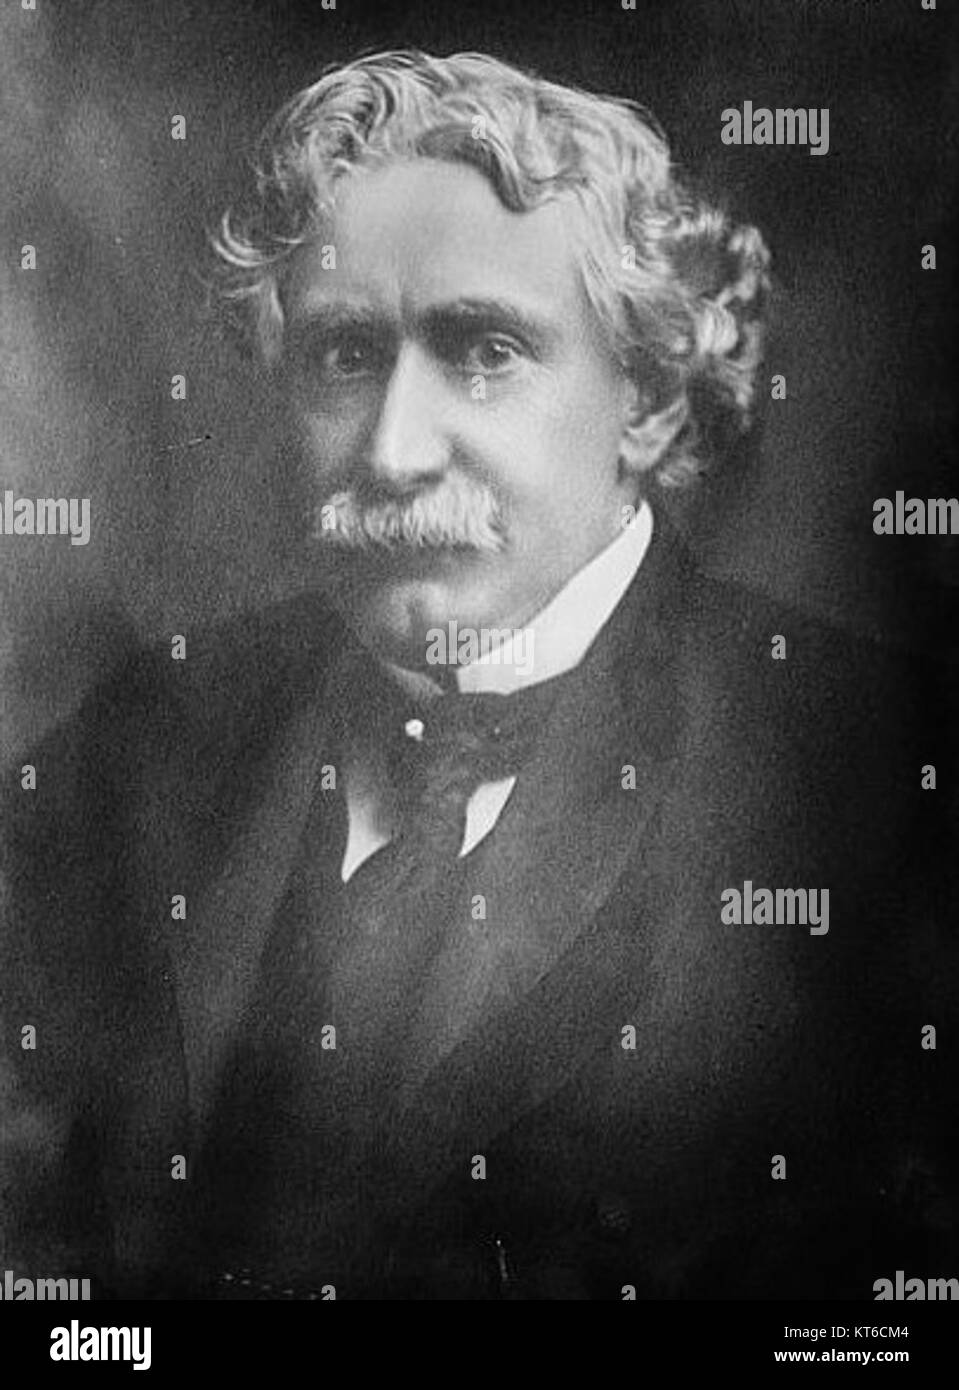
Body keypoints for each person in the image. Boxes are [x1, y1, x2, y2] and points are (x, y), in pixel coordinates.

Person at [1, 50, 952, 1300]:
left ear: (649, 397)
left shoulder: (885, 781)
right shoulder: (132, 742)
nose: (394, 451)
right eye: (347, 355)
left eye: (484, 350)